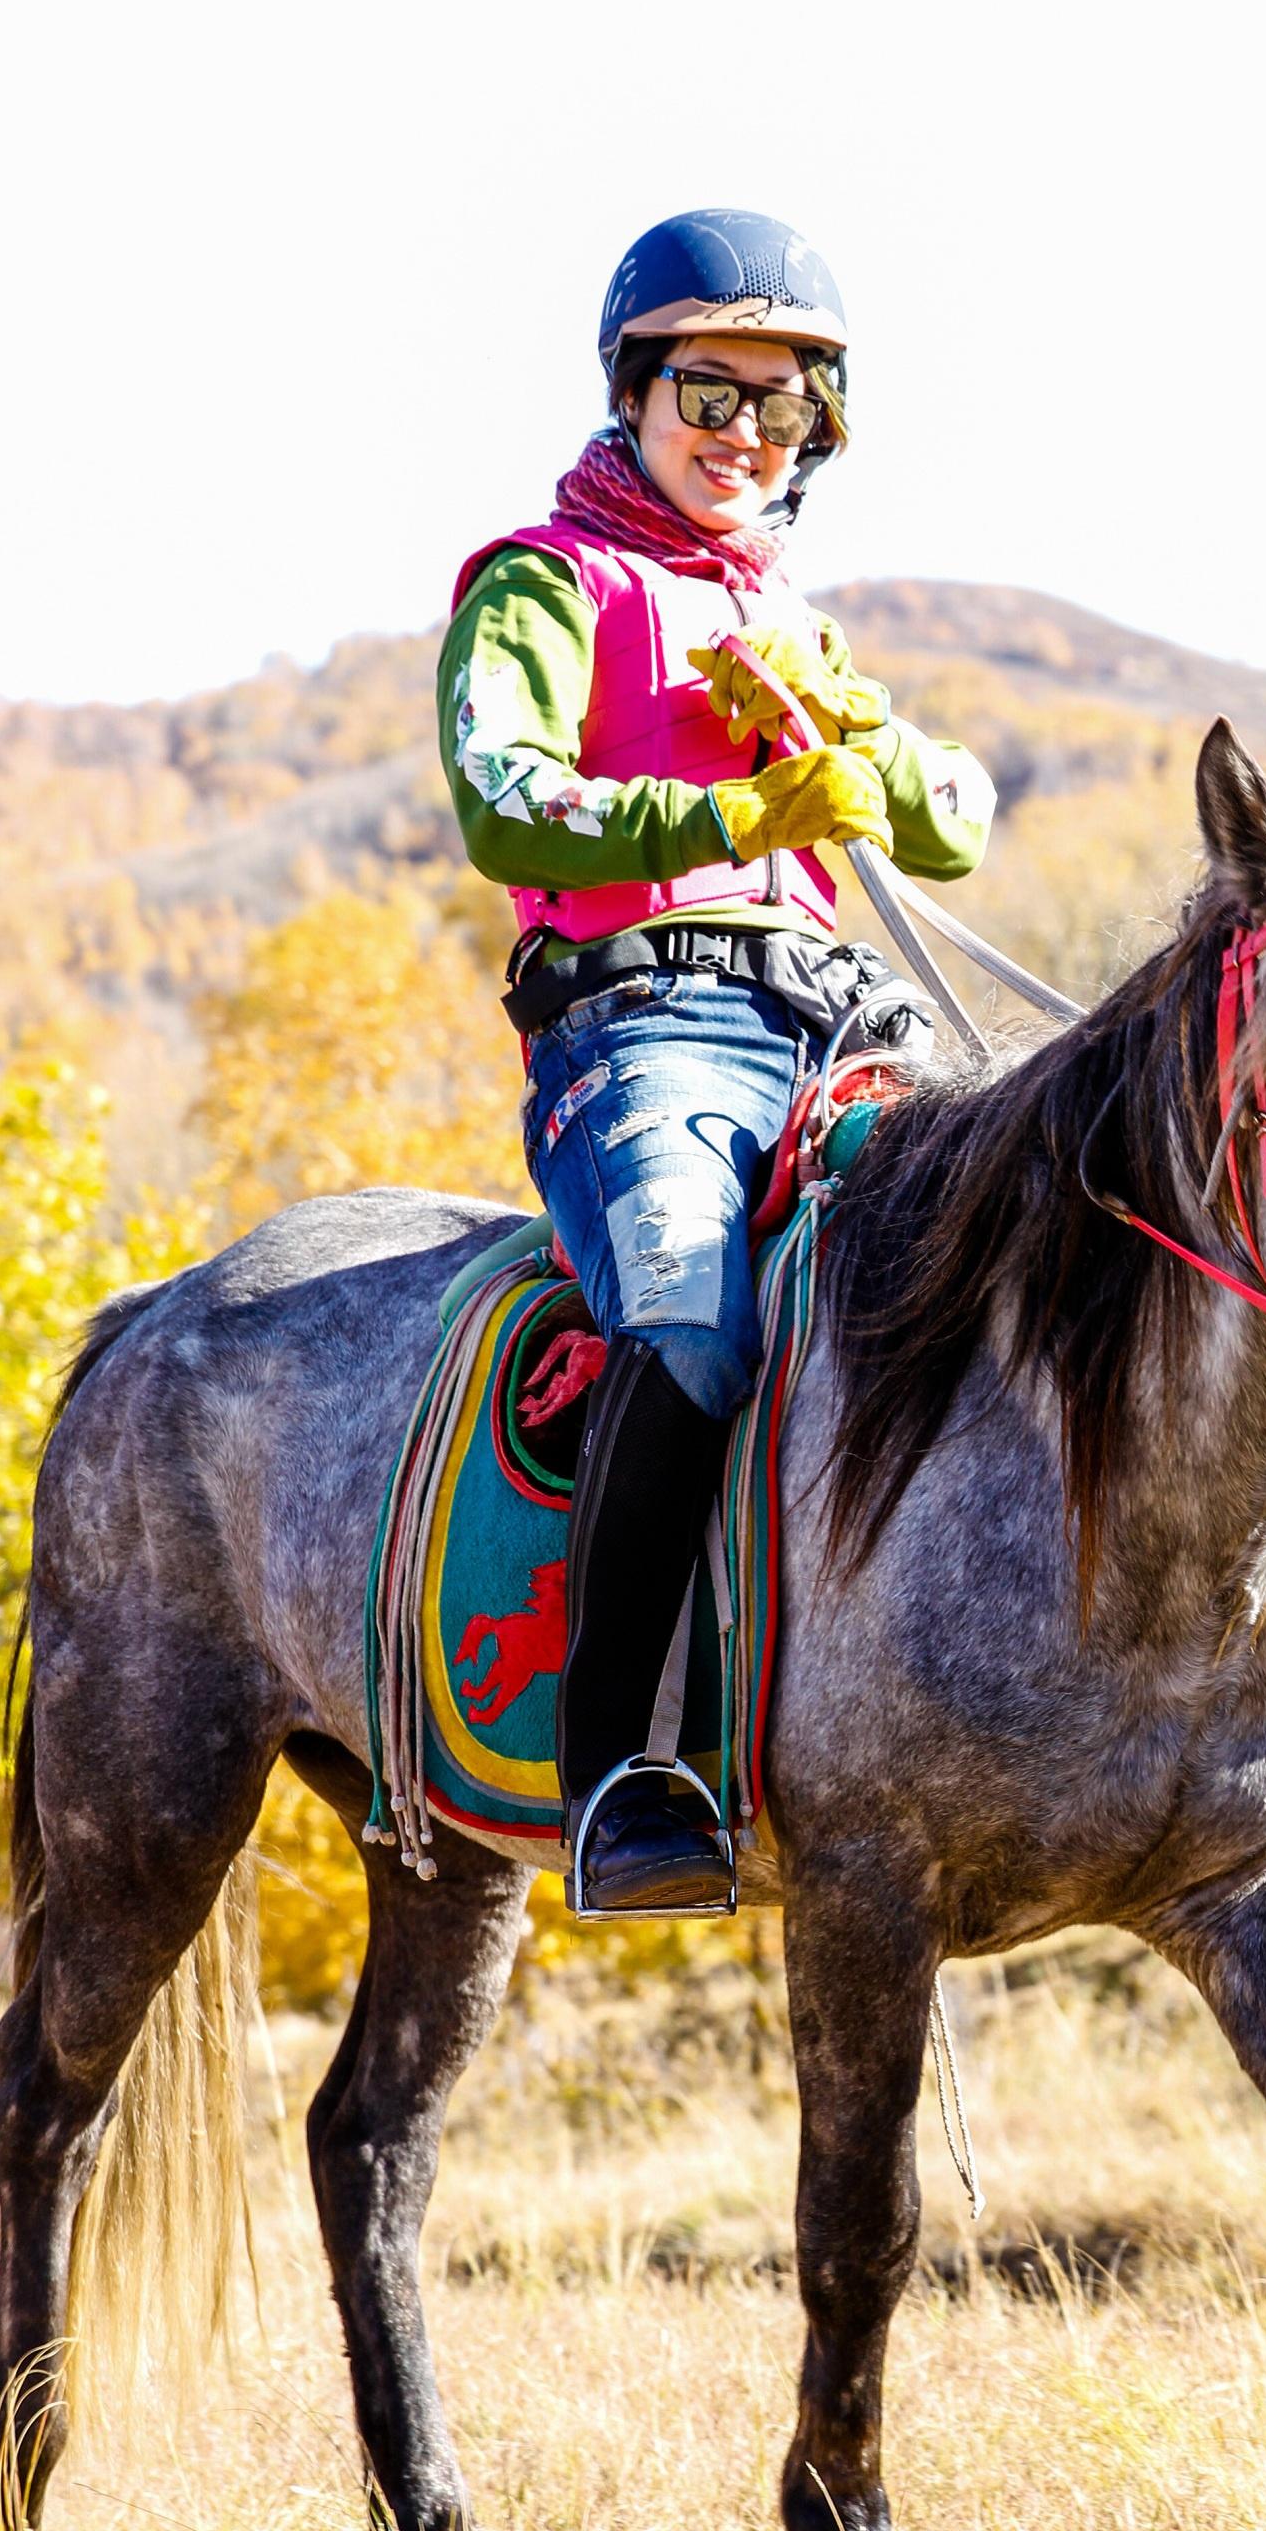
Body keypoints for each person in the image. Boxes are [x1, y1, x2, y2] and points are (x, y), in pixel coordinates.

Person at [438, 207, 994, 1914]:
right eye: (711, 388)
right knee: (685, 1323)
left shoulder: (793, 621)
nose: (746, 430)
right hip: (644, 1030)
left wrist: (857, 741)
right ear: (634, 387)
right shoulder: (544, 582)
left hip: (841, 1027)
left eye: (784, 404)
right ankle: (614, 1772)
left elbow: (957, 831)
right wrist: (737, 807)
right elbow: (501, 795)